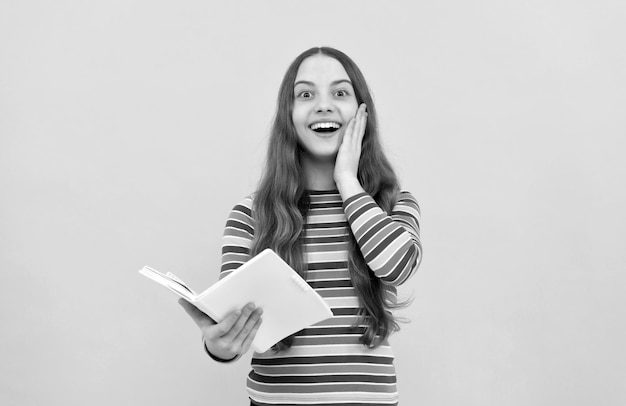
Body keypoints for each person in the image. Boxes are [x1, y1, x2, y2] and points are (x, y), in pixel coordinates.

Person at [179, 46, 423, 406]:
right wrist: (220, 345)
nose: (323, 105)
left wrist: (346, 180)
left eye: (339, 92)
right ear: (288, 116)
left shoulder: (393, 203)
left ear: (362, 113)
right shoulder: (251, 215)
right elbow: (235, 324)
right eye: (306, 94)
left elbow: (398, 267)